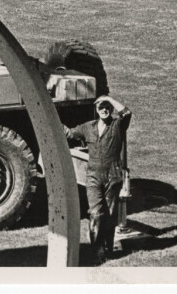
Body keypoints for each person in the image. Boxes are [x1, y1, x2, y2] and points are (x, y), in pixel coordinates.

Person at [66, 95, 131, 265]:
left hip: (112, 176)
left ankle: (107, 249)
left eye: (107, 107)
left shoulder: (117, 125)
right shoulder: (88, 127)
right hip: (93, 177)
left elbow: (127, 113)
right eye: (101, 107)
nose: (104, 110)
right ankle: (96, 251)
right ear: (96, 110)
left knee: (109, 215)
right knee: (96, 214)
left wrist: (109, 98)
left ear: (111, 109)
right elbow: (69, 133)